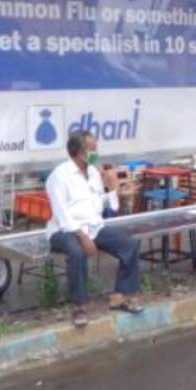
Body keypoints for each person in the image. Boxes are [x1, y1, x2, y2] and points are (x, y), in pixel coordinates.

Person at [45, 130, 144, 326]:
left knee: (129, 245)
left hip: (94, 227)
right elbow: (62, 214)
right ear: (77, 152)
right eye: (92, 149)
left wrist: (115, 190)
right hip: (64, 230)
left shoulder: (93, 173)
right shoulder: (59, 176)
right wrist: (83, 237)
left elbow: (105, 207)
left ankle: (120, 296)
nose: (96, 153)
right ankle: (79, 307)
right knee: (77, 252)